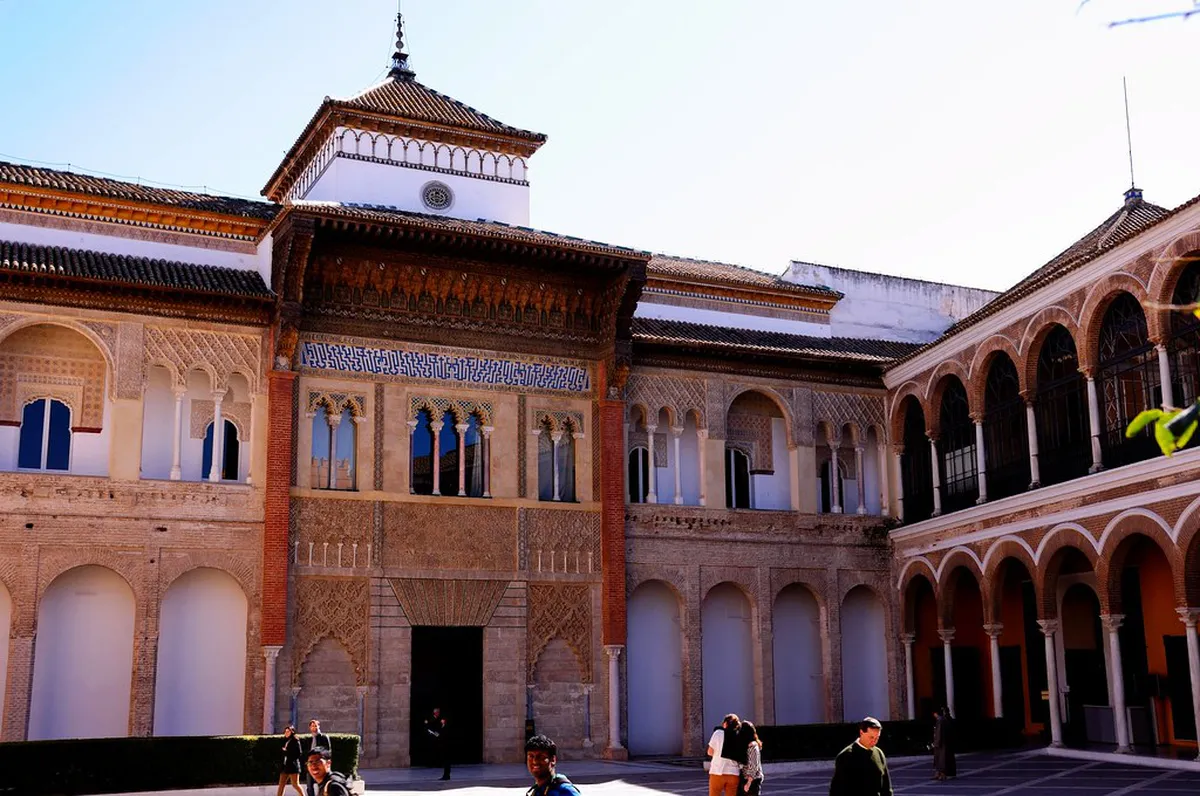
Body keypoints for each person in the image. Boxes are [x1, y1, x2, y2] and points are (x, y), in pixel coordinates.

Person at [829, 717, 892, 796]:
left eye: (877, 738)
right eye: (871, 737)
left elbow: (886, 787)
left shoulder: (879, 753)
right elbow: (837, 790)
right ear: (861, 732)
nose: (874, 741)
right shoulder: (846, 756)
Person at [707, 713, 743, 796]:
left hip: (718, 771)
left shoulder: (718, 733)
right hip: (733, 773)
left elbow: (710, 752)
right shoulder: (739, 735)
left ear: (725, 724)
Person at [276, 725, 305, 796]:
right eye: (285, 731)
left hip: (293, 766)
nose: (286, 733)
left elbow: (298, 753)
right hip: (285, 766)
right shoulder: (285, 740)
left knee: (295, 784)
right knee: (281, 784)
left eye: (288, 731)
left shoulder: (295, 741)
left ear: (292, 732)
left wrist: (287, 752)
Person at [424, 706, 450, 781]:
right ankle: (446, 774)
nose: (437, 714)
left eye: (438, 712)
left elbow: (443, 728)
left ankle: (446, 775)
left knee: (446, 758)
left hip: (445, 740)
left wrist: (438, 734)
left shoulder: (443, 719)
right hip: (440, 739)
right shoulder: (432, 718)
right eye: (436, 712)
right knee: (445, 758)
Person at [739, 721, 764, 795]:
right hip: (745, 778)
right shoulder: (745, 745)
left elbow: (754, 766)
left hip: (753, 780)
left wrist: (748, 783)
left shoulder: (753, 746)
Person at [932, 706, 956, 781]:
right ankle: (941, 773)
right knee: (946, 759)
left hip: (941, 743)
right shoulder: (949, 719)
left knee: (941, 760)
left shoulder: (940, 720)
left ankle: (942, 774)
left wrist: (936, 743)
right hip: (947, 742)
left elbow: (938, 733)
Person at [304, 719, 332, 786]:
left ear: (318, 726)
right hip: (311, 763)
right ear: (310, 728)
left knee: (323, 783)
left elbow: (327, 751)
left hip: (321, 764)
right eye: (312, 726)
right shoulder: (309, 739)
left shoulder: (324, 737)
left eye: (315, 726)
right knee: (309, 785)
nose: (314, 728)